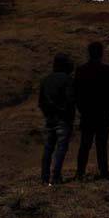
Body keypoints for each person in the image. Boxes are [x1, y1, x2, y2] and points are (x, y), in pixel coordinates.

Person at [73, 41, 109, 180]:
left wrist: (81, 108)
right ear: (101, 53)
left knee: (85, 144)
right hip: (103, 113)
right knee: (101, 145)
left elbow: (77, 92)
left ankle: (80, 172)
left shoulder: (81, 70)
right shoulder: (106, 70)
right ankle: (103, 171)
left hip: (87, 113)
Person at [38, 52, 75, 185]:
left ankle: (44, 177)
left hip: (50, 118)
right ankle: (56, 177)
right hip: (63, 119)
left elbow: (41, 102)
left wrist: (48, 113)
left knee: (48, 148)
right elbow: (70, 100)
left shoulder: (46, 80)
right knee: (61, 148)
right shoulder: (67, 79)